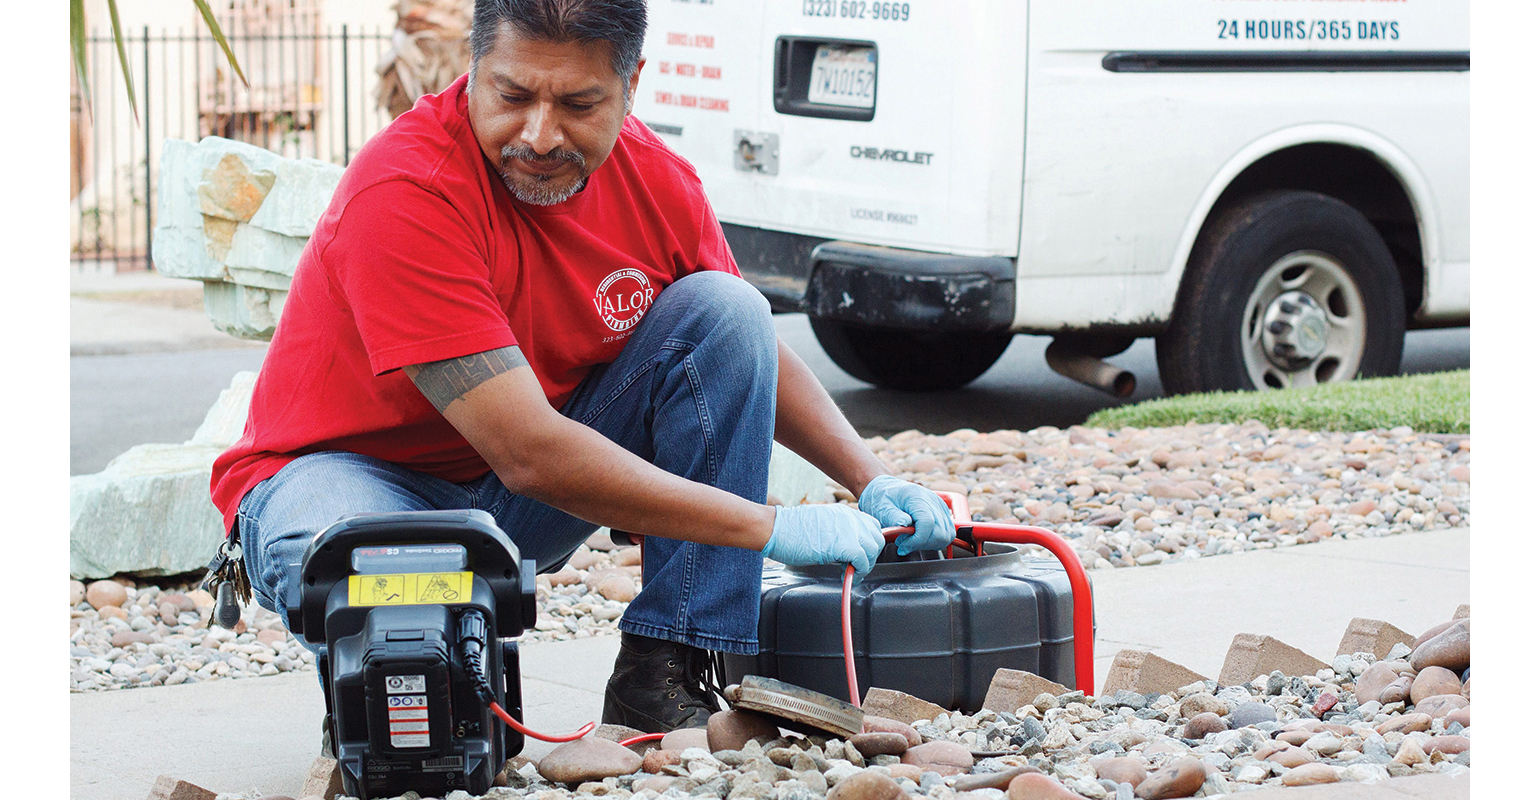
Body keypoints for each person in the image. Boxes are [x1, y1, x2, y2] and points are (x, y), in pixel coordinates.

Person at [209, 0, 955, 734]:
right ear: (472, 69)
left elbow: (743, 346)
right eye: (511, 95)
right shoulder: (407, 189)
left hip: (515, 498)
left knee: (726, 308)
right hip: (349, 480)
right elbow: (531, 453)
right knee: (393, 626)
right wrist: (771, 528)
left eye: (577, 103)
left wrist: (872, 478)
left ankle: (664, 669)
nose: (538, 134)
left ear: (632, 82)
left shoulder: (657, 181)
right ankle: (413, 688)